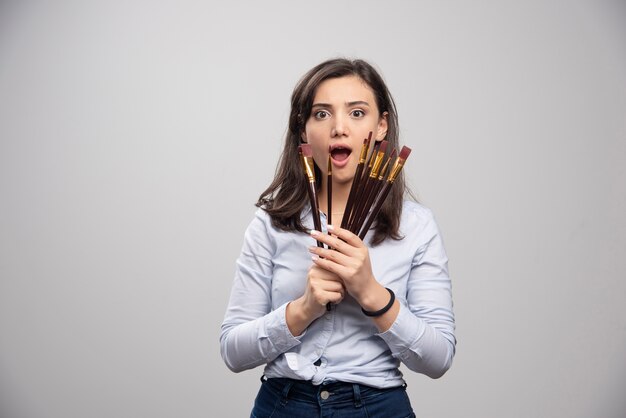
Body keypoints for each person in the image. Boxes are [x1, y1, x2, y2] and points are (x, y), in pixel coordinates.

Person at [220, 58, 456, 418]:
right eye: (322, 114)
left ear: (381, 127)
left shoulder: (417, 226)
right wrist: (303, 310)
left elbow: (438, 359)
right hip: (283, 405)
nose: (339, 128)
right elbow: (233, 352)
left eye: (357, 113)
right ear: (303, 132)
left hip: (378, 407)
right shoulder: (270, 223)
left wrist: (371, 293)